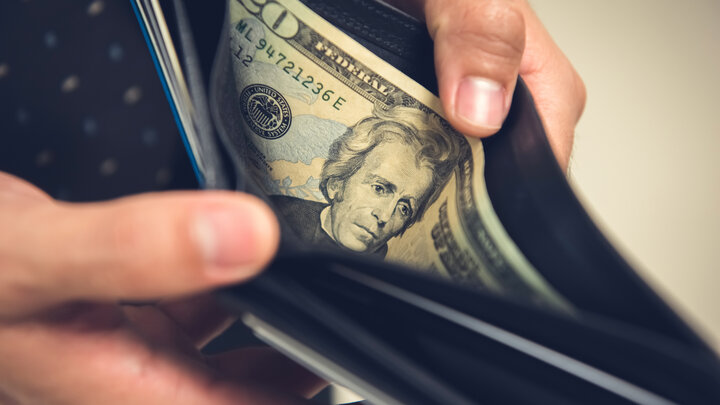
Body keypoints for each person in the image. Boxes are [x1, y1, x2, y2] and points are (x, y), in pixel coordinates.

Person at [0, 0, 585, 403]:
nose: (390, 215)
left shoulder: (373, 291)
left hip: (254, 337)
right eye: (383, 189)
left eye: (405, 208)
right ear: (340, 177)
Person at [272, 106, 463, 256]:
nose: (385, 217)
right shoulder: (276, 213)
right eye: (380, 188)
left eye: (404, 208)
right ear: (337, 184)